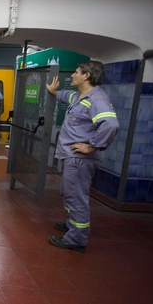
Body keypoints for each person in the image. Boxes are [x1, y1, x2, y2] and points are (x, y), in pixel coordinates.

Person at [46, 60, 119, 253]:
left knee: (76, 196)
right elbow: (65, 96)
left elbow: (111, 125)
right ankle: (73, 223)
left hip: (81, 159)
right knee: (67, 191)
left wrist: (93, 146)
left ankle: (76, 239)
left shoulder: (97, 100)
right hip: (73, 158)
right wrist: (53, 91)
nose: (72, 75)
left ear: (86, 75)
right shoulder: (80, 96)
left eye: (76, 72)